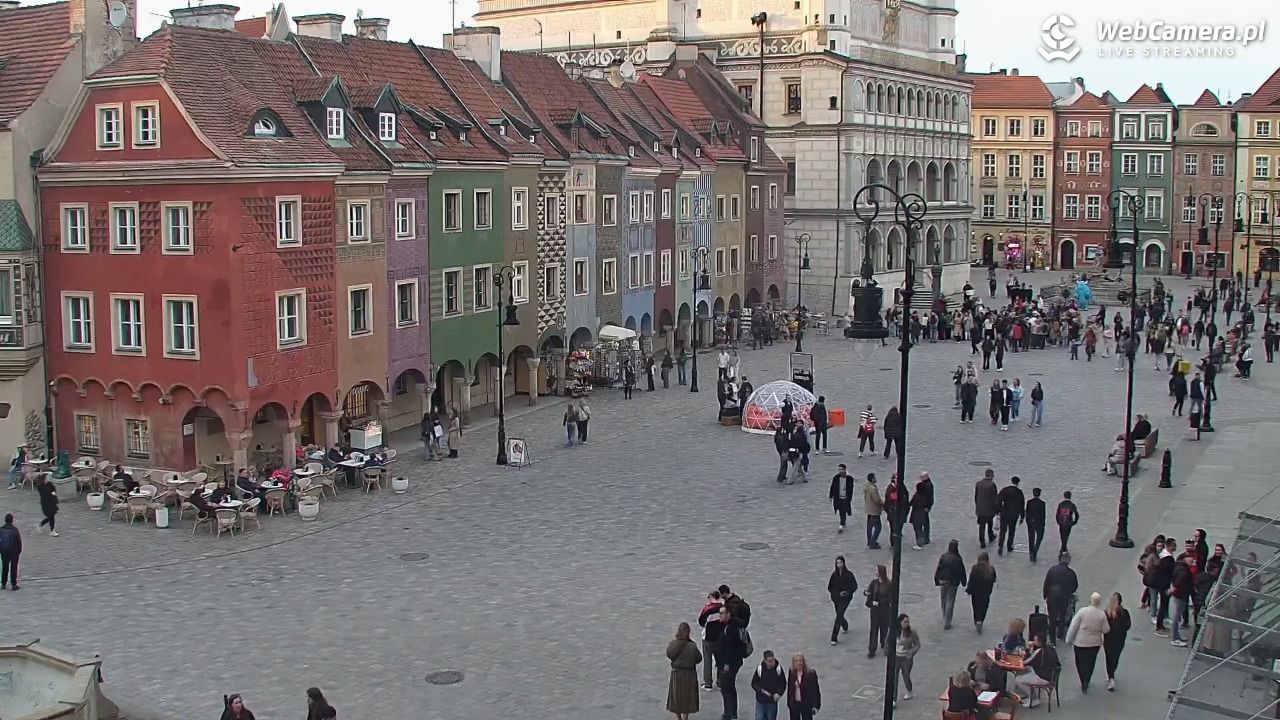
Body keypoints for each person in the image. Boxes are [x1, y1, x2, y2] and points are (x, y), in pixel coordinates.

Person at [1066, 592, 1110, 693]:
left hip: (1080, 641)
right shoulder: (1101, 614)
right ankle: (1087, 678)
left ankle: (1082, 679)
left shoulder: (1082, 611)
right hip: (1094, 643)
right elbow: (1106, 629)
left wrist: (1069, 639)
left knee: (1079, 662)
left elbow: (1074, 626)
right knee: (1090, 662)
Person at [713, 605, 746, 720]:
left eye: (722, 613)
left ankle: (729, 712)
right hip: (730, 662)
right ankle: (731, 711)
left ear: (728, 614)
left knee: (727, 687)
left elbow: (730, 648)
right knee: (728, 687)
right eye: (720, 613)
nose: (720, 616)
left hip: (729, 664)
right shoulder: (728, 626)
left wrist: (726, 664)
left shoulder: (731, 629)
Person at [666, 622, 702, 720]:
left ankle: (678, 717)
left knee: (676, 696)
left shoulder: (672, 644)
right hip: (689, 674)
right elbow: (699, 658)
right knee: (687, 697)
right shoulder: (692, 646)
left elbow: (669, 654)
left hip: (676, 673)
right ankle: (685, 717)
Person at [1012, 634, 1060, 708]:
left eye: (1035, 640)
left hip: (1043, 677)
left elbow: (1026, 662)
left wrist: (1029, 649)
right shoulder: (1050, 648)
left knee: (1018, 679)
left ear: (1039, 642)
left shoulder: (1040, 651)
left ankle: (1033, 699)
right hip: (1051, 675)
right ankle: (1030, 696)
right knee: (1025, 671)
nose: (1033, 642)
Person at [1043, 552, 1079, 643]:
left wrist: (1046, 595)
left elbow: (1046, 583)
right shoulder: (1071, 573)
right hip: (1064, 597)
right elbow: (1075, 586)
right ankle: (1060, 633)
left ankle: (1052, 639)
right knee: (1062, 615)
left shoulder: (1052, 570)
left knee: (1052, 617)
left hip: (1052, 596)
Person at [933, 539, 967, 630]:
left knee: (943, 599)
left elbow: (939, 568)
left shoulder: (944, 556)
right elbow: (961, 571)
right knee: (950, 600)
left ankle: (945, 615)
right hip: (953, 582)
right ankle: (947, 622)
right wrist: (964, 581)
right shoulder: (958, 558)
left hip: (943, 580)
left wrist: (936, 579)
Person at [1103, 592, 1131, 692]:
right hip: (1119, 639)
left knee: (1108, 657)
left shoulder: (1106, 612)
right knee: (1115, 657)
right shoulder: (1124, 613)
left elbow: (1103, 626)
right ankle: (1111, 675)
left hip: (1108, 639)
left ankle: (1110, 675)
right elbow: (1128, 626)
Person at [827, 555, 858, 644]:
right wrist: (835, 594)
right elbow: (830, 587)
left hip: (845, 599)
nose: (839, 565)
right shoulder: (834, 575)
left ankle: (834, 637)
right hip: (836, 598)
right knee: (839, 615)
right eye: (837, 563)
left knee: (839, 615)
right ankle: (845, 625)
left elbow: (854, 586)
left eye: (840, 563)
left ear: (844, 563)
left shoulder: (849, 575)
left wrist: (847, 592)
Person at [865, 565, 893, 658]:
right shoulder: (874, 582)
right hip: (875, 610)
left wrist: (879, 603)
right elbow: (869, 592)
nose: (875, 572)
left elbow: (889, 598)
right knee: (873, 629)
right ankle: (872, 649)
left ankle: (884, 643)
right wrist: (867, 595)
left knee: (884, 628)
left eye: (877, 570)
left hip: (884, 610)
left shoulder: (888, 584)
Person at [750, 650, 786, 720]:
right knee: (759, 718)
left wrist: (778, 693)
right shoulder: (760, 669)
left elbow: (783, 683)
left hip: (772, 701)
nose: (772, 663)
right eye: (769, 661)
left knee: (771, 718)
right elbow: (754, 683)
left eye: (773, 660)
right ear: (765, 661)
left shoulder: (778, 669)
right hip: (761, 700)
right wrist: (761, 690)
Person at [967, 552, 997, 633]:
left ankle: (977, 620)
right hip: (986, 592)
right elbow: (993, 580)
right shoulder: (991, 569)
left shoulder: (975, 568)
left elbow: (971, 580)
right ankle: (981, 620)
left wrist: (969, 589)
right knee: (984, 607)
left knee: (976, 607)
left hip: (975, 592)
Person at [1169, 552, 1195, 647]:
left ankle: (1177, 637)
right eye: (1191, 560)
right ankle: (1175, 638)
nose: (1192, 562)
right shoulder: (1184, 571)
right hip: (1181, 595)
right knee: (1177, 617)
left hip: (1179, 595)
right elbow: (1178, 583)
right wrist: (1172, 590)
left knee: (1177, 616)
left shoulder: (1178, 567)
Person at [785, 654, 821, 720]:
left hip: (806, 703)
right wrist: (789, 703)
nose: (799, 663)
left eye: (800, 661)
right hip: (795, 704)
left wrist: (816, 705)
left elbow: (815, 690)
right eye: (796, 661)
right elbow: (790, 689)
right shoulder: (792, 673)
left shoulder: (810, 674)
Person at [996, 476, 1025, 556]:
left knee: (1003, 530)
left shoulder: (1005, 490)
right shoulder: (1019, 492)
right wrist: (1022, 516)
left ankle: (1000, 546)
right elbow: (1022, 505)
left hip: (1005, 513)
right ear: (1018, 483)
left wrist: (999, 510)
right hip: (1014, 515)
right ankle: (1009, 546)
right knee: (1012, 531)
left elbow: (998, 500)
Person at [895, 614, 921, 702]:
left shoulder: (911, 632)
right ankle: (893, 696)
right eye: (905, 622)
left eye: (907, 622)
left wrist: (911, 653)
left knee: (906, 675)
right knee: (894, 676)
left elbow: (917, 645)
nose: (907, 624)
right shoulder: (894, 630)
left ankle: (909, 690)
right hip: (896, 656)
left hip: (906, 657)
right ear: (900, 622)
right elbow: (888, 641)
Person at [909, 472, 934, 549]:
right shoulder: (926, 485)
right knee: (925, 523)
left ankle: (922, 540)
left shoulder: (926, 487)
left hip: (920, 511)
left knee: (920, 525)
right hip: (923, 509)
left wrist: (928, 507)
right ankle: (925, 538)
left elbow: (929, 498)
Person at [974, 469, 998, 549]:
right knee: (990, 524)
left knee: (982, 526)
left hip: (980, 509)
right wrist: (997, 509)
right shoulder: (992, 485)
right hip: (989, 509)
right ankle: (990, 536)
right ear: (991, 475)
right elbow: (994, 498)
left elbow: (976, 496)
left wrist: (977, 506)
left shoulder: (978, 484)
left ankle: (982, 541)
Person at [829, 465, 854, 534]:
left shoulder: (849, 479)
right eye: (839, 469)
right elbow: (832, 487)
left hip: (845, 498)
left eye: (841, 469)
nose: (840, 471)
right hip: (838, 497)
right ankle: (842, 522)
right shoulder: (836, 478)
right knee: (840, 510)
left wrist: (849, 498)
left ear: (845, 470)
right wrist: (831, 496)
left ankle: (842, 523)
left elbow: (851, 489)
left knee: (843, 510)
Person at [1025, 487, 1046, 563]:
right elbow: (1043, 515)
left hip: (1031, 522)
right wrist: (1043, 524)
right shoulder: (1042, 503)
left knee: (1031, 537)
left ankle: (1031, 552)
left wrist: (1027, 521)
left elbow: (1027, 512)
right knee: (1039, 537)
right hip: (1039, 523)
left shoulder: (1029, 502)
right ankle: (1035, 550)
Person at [863, 473, 884, 549]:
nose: (876, 479)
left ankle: (870, 541)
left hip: (869, 509)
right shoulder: (873, 489)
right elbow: (876, 500)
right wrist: (882, 505)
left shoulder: (867, 487)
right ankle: (872, 542)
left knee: (869, 527)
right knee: (878, 527)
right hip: (874, 510)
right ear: (872, 479)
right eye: (875, 478)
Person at [0, 513, 20, 590]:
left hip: (4, 551)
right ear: (11, 520)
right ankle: (14, 585)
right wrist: (19, 551)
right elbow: (18, 542)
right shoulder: (15, 530)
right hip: (13, 552)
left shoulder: (1, 529)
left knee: (5, 567)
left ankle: (3, 584)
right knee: (13, 568)